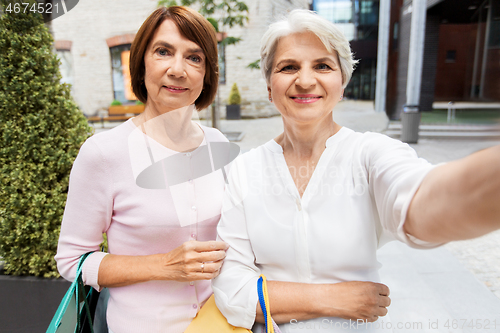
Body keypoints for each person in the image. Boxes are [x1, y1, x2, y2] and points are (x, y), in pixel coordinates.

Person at [212, 9, 500, 332]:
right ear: (269, 87)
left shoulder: (370, 154)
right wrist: (334, 298)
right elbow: (232, 290)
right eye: (288, 67)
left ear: (342, 83)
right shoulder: (243, 171)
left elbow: (420, 200)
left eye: (322, 65)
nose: (305, 80)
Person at [56, 6, 231, 333]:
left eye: (194, 58)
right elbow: (72, 263)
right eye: (163, 52)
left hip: (219, 324)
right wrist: (164, 265)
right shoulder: (104, 153)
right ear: (141, 63)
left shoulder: (218, 143)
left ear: (207, 73)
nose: (178, 69)